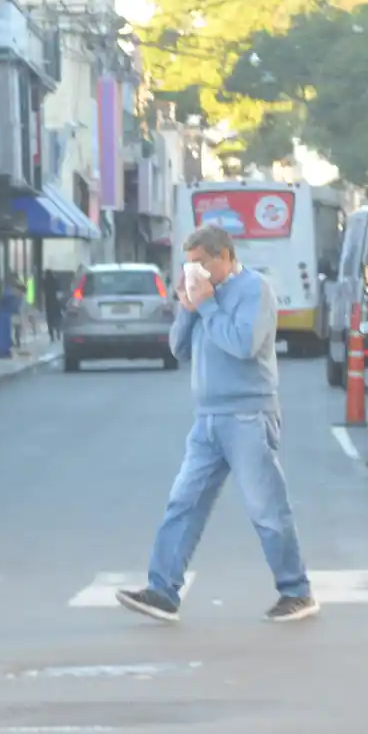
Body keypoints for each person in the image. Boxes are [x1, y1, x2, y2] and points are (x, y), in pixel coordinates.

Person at [116, 224, 319, 624]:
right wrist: (187, 309)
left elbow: (243, 345)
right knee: (184, 503)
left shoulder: (254, 290)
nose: (195, 272)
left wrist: (207, 306)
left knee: (266, 508)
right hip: (207, 418)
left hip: (248, 415)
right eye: (189, 265)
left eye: (201, 264)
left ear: (224, 257)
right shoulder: (203, 296)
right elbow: (178, 349)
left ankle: (296, 591)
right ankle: (163, 590)